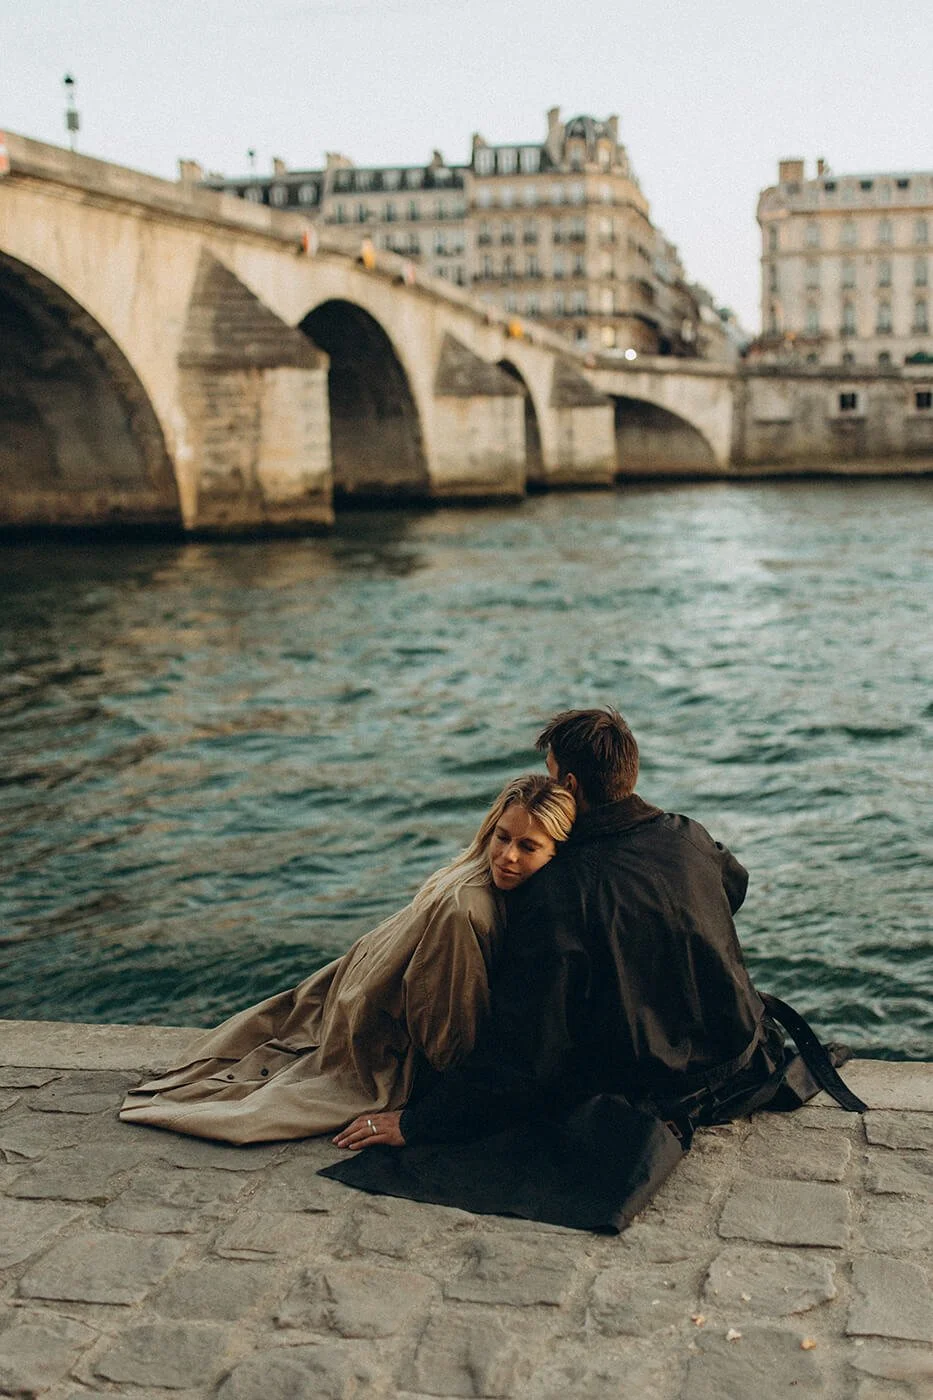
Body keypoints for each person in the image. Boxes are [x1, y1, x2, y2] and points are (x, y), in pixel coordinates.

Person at [323, 708, 864, 1230]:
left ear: (572, 786)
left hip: (653, 1076)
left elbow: (526, 1050)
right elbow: (733, 888)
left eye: (551, 774)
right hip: (733, 1048)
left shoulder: (558, 891)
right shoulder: (688, 836)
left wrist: (419, 1122)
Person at [119, 773, 575, 1145]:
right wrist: (451, 1105)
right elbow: (446, 1030)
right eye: (503, 838)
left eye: (527, 847)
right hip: (376, 1027)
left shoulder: (469, 870)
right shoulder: (469, 908)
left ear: (556, 853)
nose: (508, 856)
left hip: (348, 990)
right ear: (490, 828)